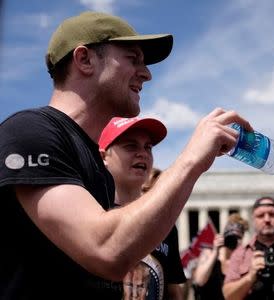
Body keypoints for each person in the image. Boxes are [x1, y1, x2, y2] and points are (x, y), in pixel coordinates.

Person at [0, 11, 251, 299]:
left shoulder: (94, 164)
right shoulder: (30, 132)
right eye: (133, 59)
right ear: (84, 60)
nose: (146, 73)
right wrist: (192, 158)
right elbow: (106, 249)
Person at [99, 117, 186, 300]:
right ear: (103, 156)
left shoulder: (165, 225)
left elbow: (173, 290)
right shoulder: (89, 212)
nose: (143, 154)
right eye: (131, 146)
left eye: (148, 147)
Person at [192, 213, 249, 300]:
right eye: (232, 237)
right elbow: (199, 281)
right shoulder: (209, 253)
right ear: (224, 236)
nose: (235, 241)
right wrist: (215, 251)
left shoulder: (242, 259)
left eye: (239, 238)